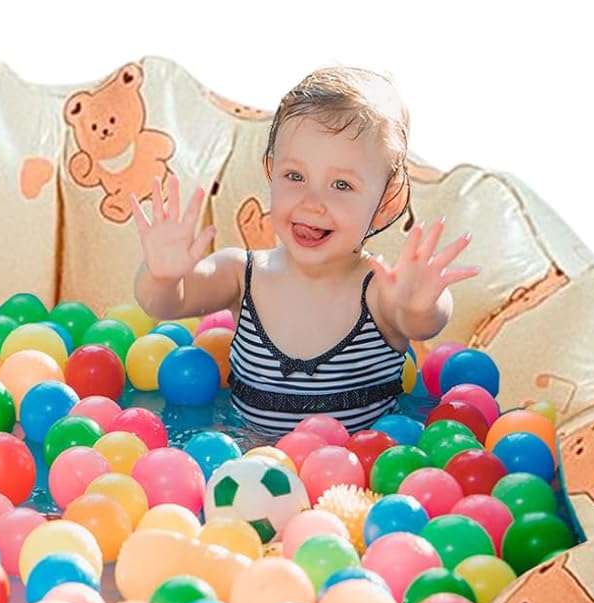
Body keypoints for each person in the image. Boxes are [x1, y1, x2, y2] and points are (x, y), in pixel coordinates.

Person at [132, 65, 477, 437]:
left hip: (355, 471)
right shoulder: (240, 275)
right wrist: (164, 278)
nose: (312, 202)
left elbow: (421, 322)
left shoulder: (380, 291)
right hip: (250, 460)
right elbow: (166, 304)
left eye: (341, 185)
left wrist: (420, 302)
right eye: (294, 176)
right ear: (271, 170)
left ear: (386, 200)